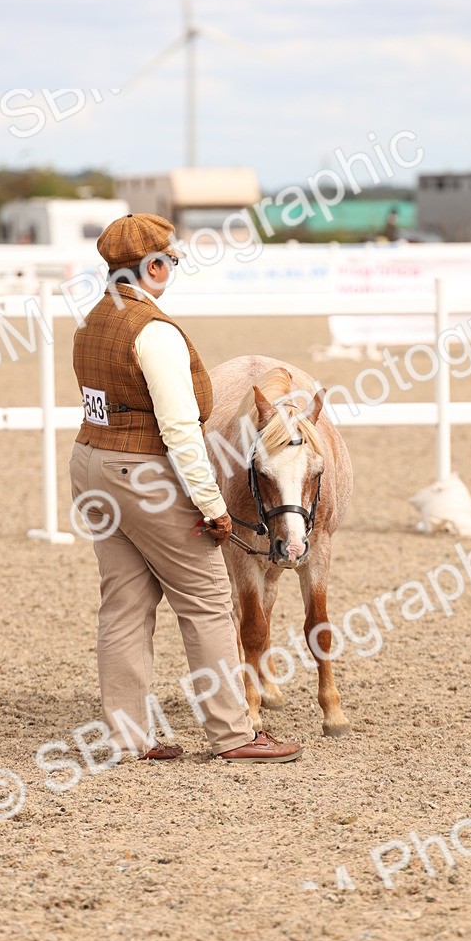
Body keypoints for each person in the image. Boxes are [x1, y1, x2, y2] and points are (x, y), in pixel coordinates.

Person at [69, 212, 302, 764]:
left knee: (124, 605)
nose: (171, 270)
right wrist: (213, 504)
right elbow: (178, 430)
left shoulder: (92, 322)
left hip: (90, 464)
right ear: (151, 266)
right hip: (141, 472)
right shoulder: (153, 332)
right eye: (169, 261)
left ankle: (126, 739)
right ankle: (232, 734)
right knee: (206, 601)